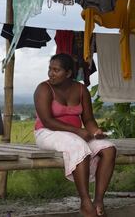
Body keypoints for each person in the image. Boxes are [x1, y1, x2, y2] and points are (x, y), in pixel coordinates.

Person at [34, 53, 116, 217]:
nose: (51, 73)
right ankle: (85, 203)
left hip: (76, 134)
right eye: (50, 69)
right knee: (79, 146)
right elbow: (48, 121)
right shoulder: (44, 88)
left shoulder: (80, 89)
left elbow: (88, 119)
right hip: (48, 133)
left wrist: (95, 131)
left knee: (109, 148)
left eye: (56, 70)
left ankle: (98, 201)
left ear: (69, 73)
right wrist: (78, 131)